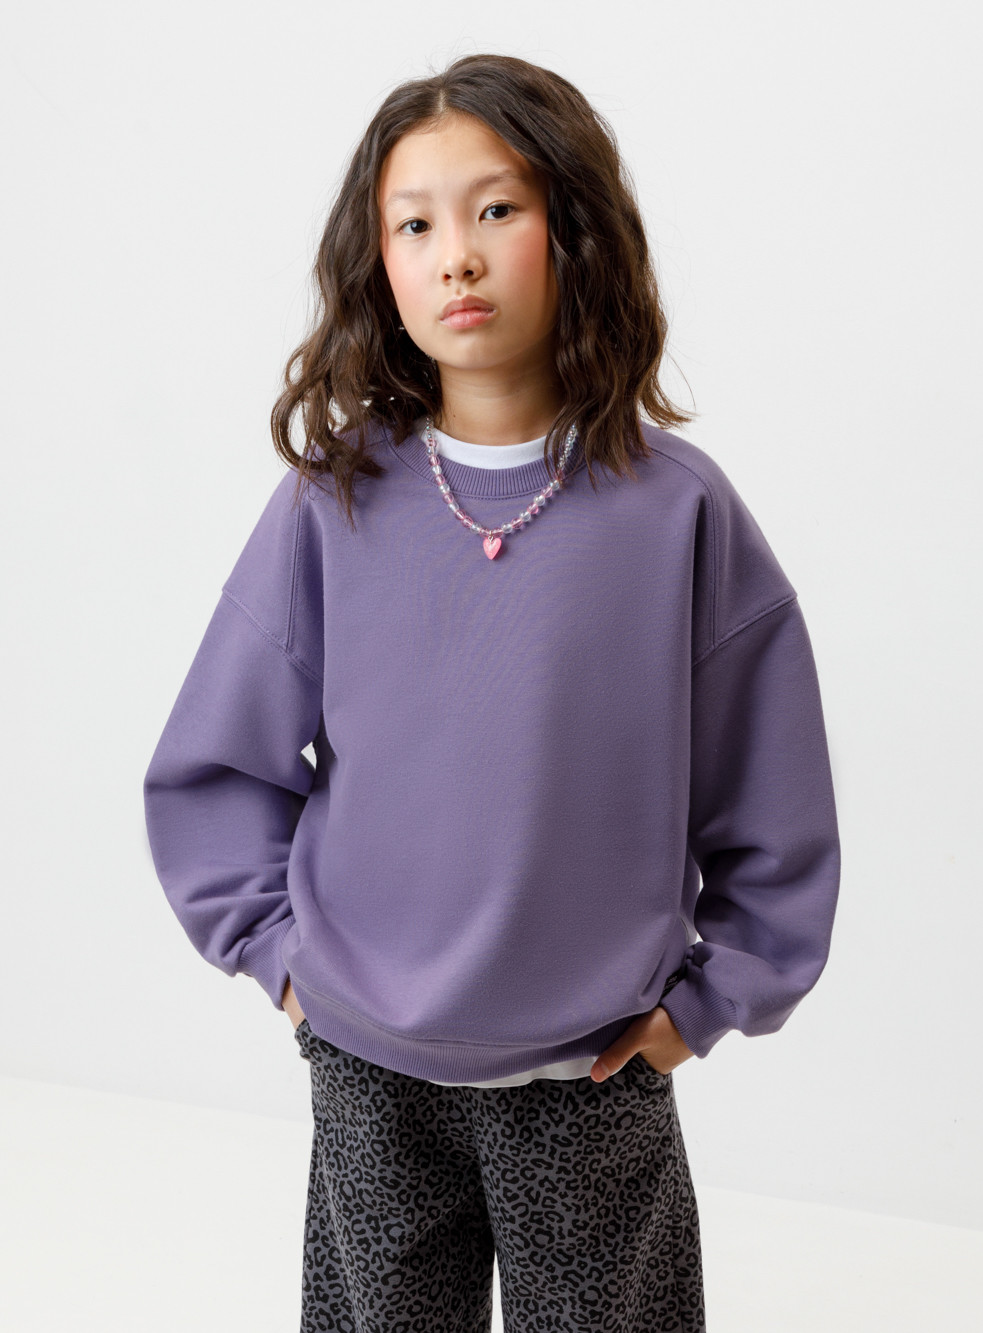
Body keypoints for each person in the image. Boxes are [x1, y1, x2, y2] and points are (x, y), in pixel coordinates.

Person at [143, 52, 840, 1333]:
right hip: (366, 1064)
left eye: (497, 209)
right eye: (413, 225)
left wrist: (709, 1000)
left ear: (576, 230)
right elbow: (215, 766)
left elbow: (771, 795)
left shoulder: (676, 512)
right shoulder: (332, 501)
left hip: (592, 1072)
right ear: (378, 265)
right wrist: (282, 960)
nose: (455, 255)